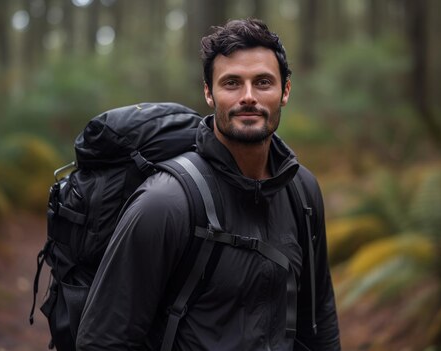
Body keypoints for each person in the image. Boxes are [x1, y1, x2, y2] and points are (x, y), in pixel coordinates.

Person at [76, 18, 340, 350]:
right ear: (208, 93)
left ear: (285, 91)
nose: (248, 97)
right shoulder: (166, 202)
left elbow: (319, 318)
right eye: (231, 83)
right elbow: (104, 339)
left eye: (262, 82)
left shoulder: (302, 192)